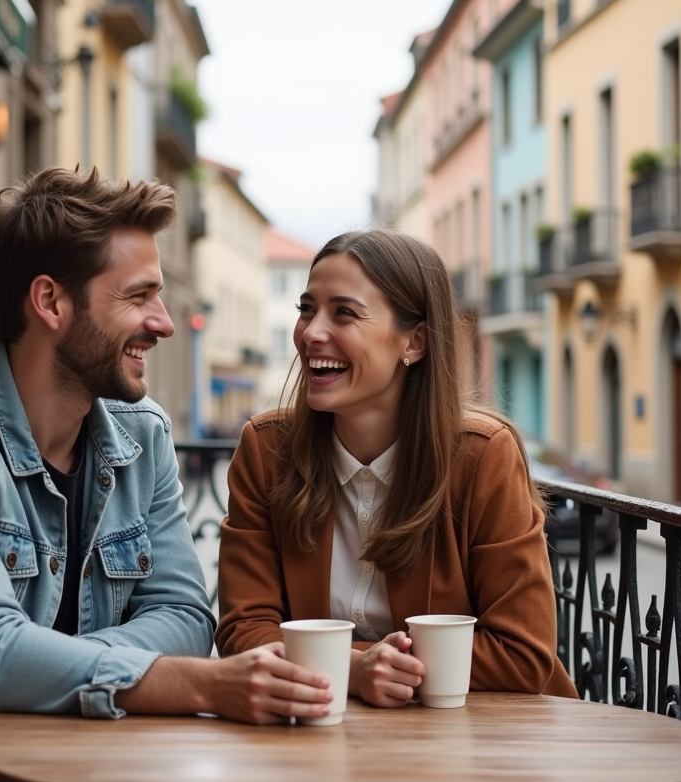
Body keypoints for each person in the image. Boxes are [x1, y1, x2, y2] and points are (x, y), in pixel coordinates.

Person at [0, 168, 334, 782]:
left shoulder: (143, 435)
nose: (163, 323)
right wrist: (205, 684)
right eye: (138, 297)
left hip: (87, 753)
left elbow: (187, 618)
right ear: (50, 301)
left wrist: (28, 662)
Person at [216, 229, 578, 707]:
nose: (311, 332)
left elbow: (522, 654)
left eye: (343, 313)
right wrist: (354, 668)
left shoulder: (484, 456)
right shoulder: (266, 452)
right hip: (322, 739)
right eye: (307, 309)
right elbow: (243, 632)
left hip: (485, 742)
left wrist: (360, 666)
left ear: (416, 341)